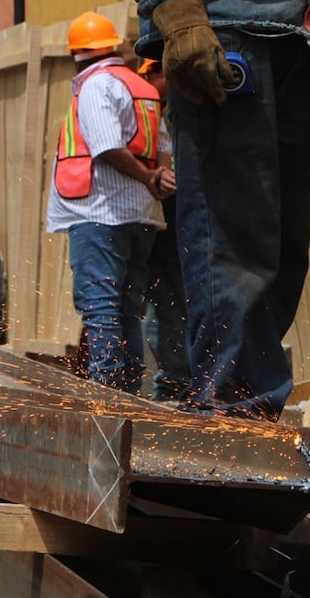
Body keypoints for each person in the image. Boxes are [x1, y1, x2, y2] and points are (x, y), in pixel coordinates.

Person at [126, 0, 310, 419]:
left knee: (284, 254)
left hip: (302, 40)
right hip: (225, 31)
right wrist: (175, 8)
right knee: (232, 248)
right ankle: (233, 418)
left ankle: (243, 412)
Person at [45, 12, 174, 395]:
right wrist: (157, 177)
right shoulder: (142, 87)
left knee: (100, 308)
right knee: (128, 308)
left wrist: (149, 178)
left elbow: (106, 148)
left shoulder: (96, 86)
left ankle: (107, 395)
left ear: (77, 55)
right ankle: (129, 393)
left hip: (100, 213)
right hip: (141, 216)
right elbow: (163, 147)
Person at [138, 58, 189, 401]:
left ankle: (177, 382)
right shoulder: (149, 110)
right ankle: (172, 383)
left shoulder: (173, 111)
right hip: (154, 224)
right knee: (163, 304)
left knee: (171, 304)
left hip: (173, 226)